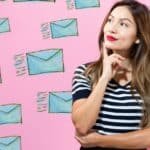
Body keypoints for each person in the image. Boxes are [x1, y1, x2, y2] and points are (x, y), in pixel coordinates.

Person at [71, 0, 150, 150]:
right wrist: (105, 77)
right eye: (110, 20)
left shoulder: (148, 78)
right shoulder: (86, 72)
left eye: (123, 24)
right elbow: (82, 125)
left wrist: (100, 140)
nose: (112, 29)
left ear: (138, 37)